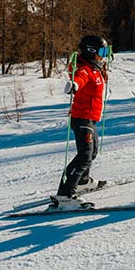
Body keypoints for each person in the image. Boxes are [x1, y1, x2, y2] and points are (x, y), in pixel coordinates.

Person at [54, 35, 110, 210]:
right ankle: (65, 194)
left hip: (91, 118)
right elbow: (80, 78)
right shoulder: (85, 69)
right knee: (84, 155)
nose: (104, 55)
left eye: (106, 51)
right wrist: (74, 85)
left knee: (92, 152)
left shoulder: (96, 68)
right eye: (102, 51)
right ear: (91, 51)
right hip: (82, 118)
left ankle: (83, 181)